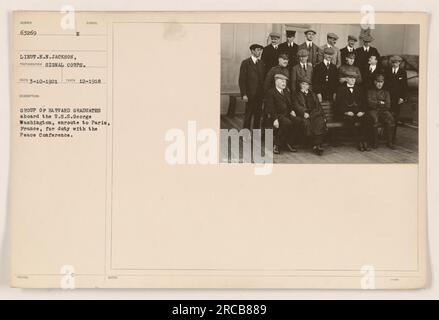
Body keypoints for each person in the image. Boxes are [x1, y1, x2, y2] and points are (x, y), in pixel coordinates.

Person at [335, 71, 372, 151]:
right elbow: (338, 104)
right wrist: (346, 112)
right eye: (351, 78)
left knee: (368, 119)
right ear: (346, 79)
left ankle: (364, 140)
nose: (353, 80)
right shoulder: (341, 89)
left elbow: (364, 102)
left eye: (354, 78)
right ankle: (359, 141)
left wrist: (362, 111)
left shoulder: (360, 89)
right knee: (350, 120)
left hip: (359, 113)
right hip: (346, 113)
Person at [264, 74, 302, 154]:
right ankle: (277, 145)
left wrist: (292, 110)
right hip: (276, 115)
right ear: (276, 82)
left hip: (286, 114)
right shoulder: (271, 92)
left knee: (298, 120)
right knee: (287, 123)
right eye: (282, 81)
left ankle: (289, 142)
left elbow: (289, 103)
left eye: (285, 82)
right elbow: (270, 108)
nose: (284, 83)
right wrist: (275, 119)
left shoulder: (286, 91)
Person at [292, 77, 327, 155]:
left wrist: (324, 116)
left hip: (314, 113)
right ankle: (317, 145)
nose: (305, 86)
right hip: (305, 114)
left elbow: (319, 106)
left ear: (309, 86)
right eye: (303, 84)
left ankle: (317, 145)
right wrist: (303, 113)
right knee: (309, 123)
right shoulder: (296, 94)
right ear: (300, 85)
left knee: (320, 121)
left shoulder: (313, 94)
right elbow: (296, 106)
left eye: (307, 84)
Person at [238, 43, 265, 130]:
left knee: (258, 116)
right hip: (249, 95)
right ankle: (245, 136)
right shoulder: (245, 63)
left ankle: (256, 135)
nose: (260, 52)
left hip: (259, 95)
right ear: (252, 51)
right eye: (258, 50)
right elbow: (242, 80)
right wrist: (244, 94)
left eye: (261, 50)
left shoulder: (261, 63)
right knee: (248, 115)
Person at [367, 74, 396, 149]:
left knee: (391, 120)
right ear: (375, 82)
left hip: (384, 111)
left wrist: (377, 102)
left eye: (381, 82)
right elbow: (370, 103)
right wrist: (380, 102)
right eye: (378, 82)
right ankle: (375, 142)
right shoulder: (370, 91)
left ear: (383, 83)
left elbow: (388, 105)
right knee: (374, 120)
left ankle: (390, 142)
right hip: (373, 111)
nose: (379, 84)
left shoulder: (386, 92)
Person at [384, 55, 408, 142]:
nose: (395, 64)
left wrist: (402, 97)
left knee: (395, 117)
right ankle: (386, 135)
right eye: (393, 62)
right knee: (387, 116)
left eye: (397, 62)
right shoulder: (387, 71)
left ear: (400, 63)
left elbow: (405, 86)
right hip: (388, 98)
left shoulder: (402, 72)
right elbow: (385, 85)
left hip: (397, 99)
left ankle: (393, 137)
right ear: (391, 63)